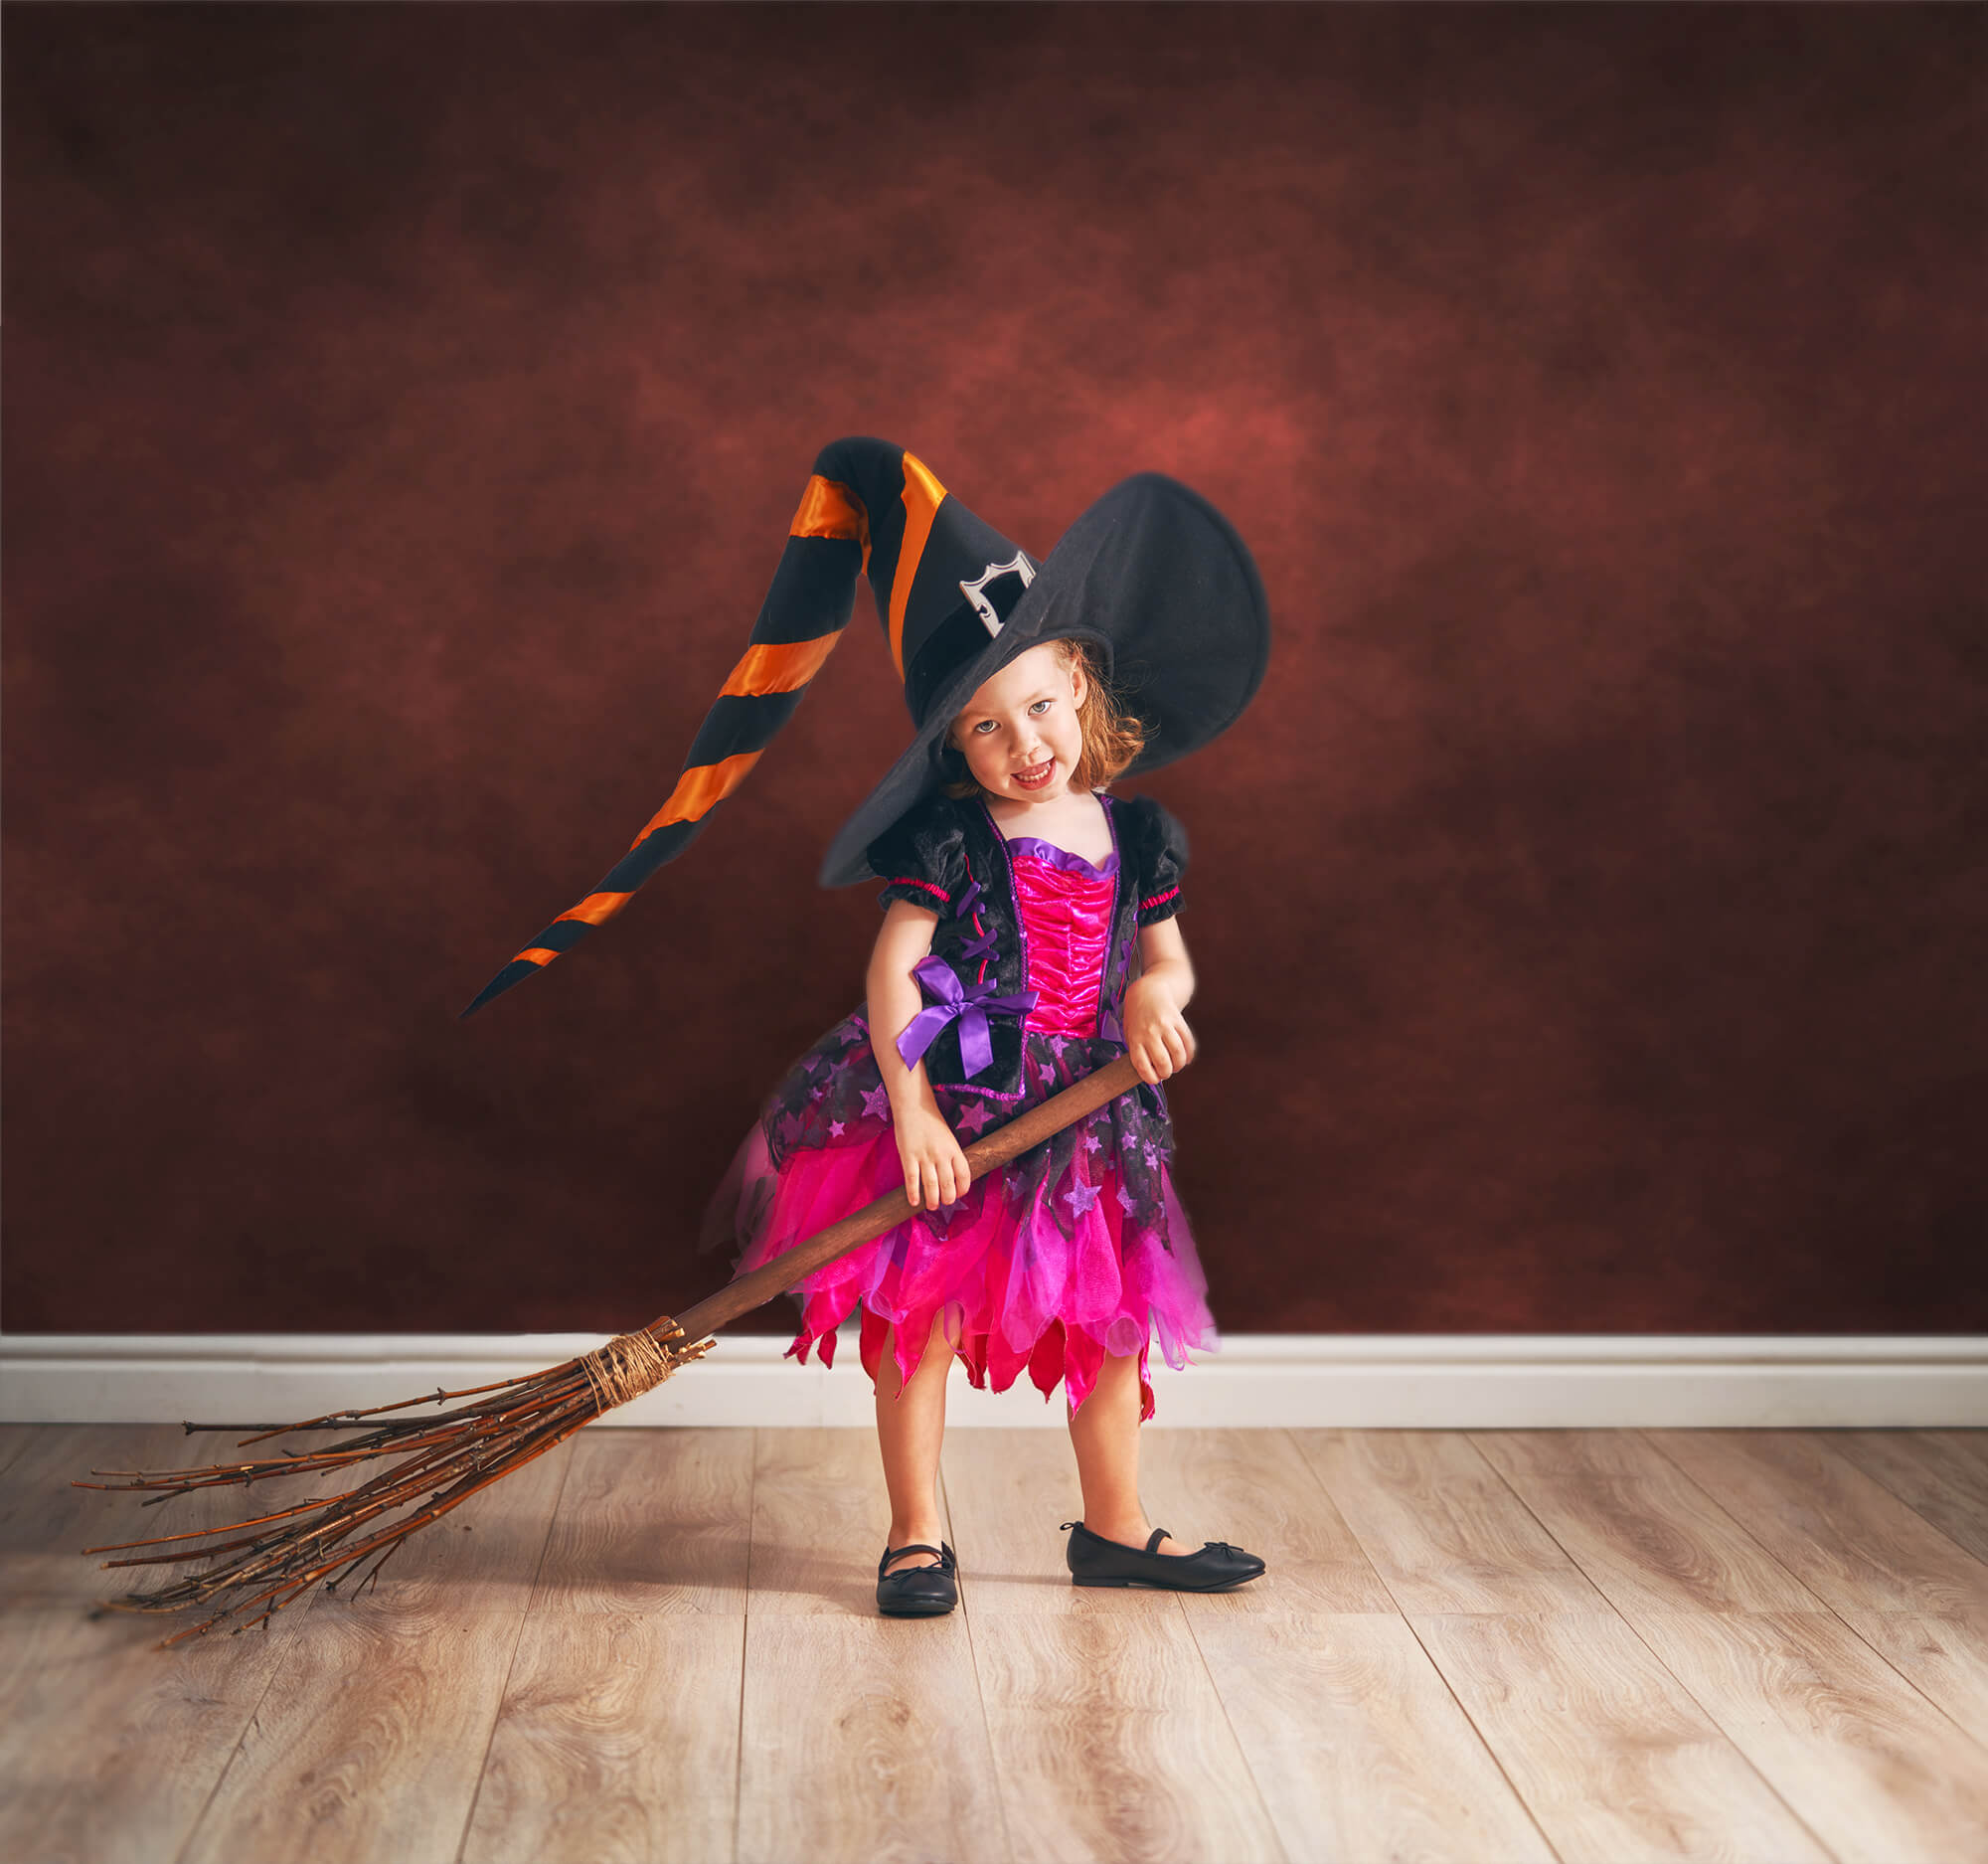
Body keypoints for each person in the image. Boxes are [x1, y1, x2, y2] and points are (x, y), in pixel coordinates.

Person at [466, 437, 1272, 1615]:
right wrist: (911, 1113)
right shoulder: (947, 842)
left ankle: (1113, 1526)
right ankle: (915, 1534)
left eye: (1040, 704)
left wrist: (1157, 996)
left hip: (1088, 1112)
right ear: (952, 750)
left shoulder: (1138, 838)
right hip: (957, 1093)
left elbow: (1165, 958)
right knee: (919, 1318)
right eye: (986, 728)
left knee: (1107, 1329)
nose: (1025, 742)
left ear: (1084, 690)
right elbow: (895, 967)